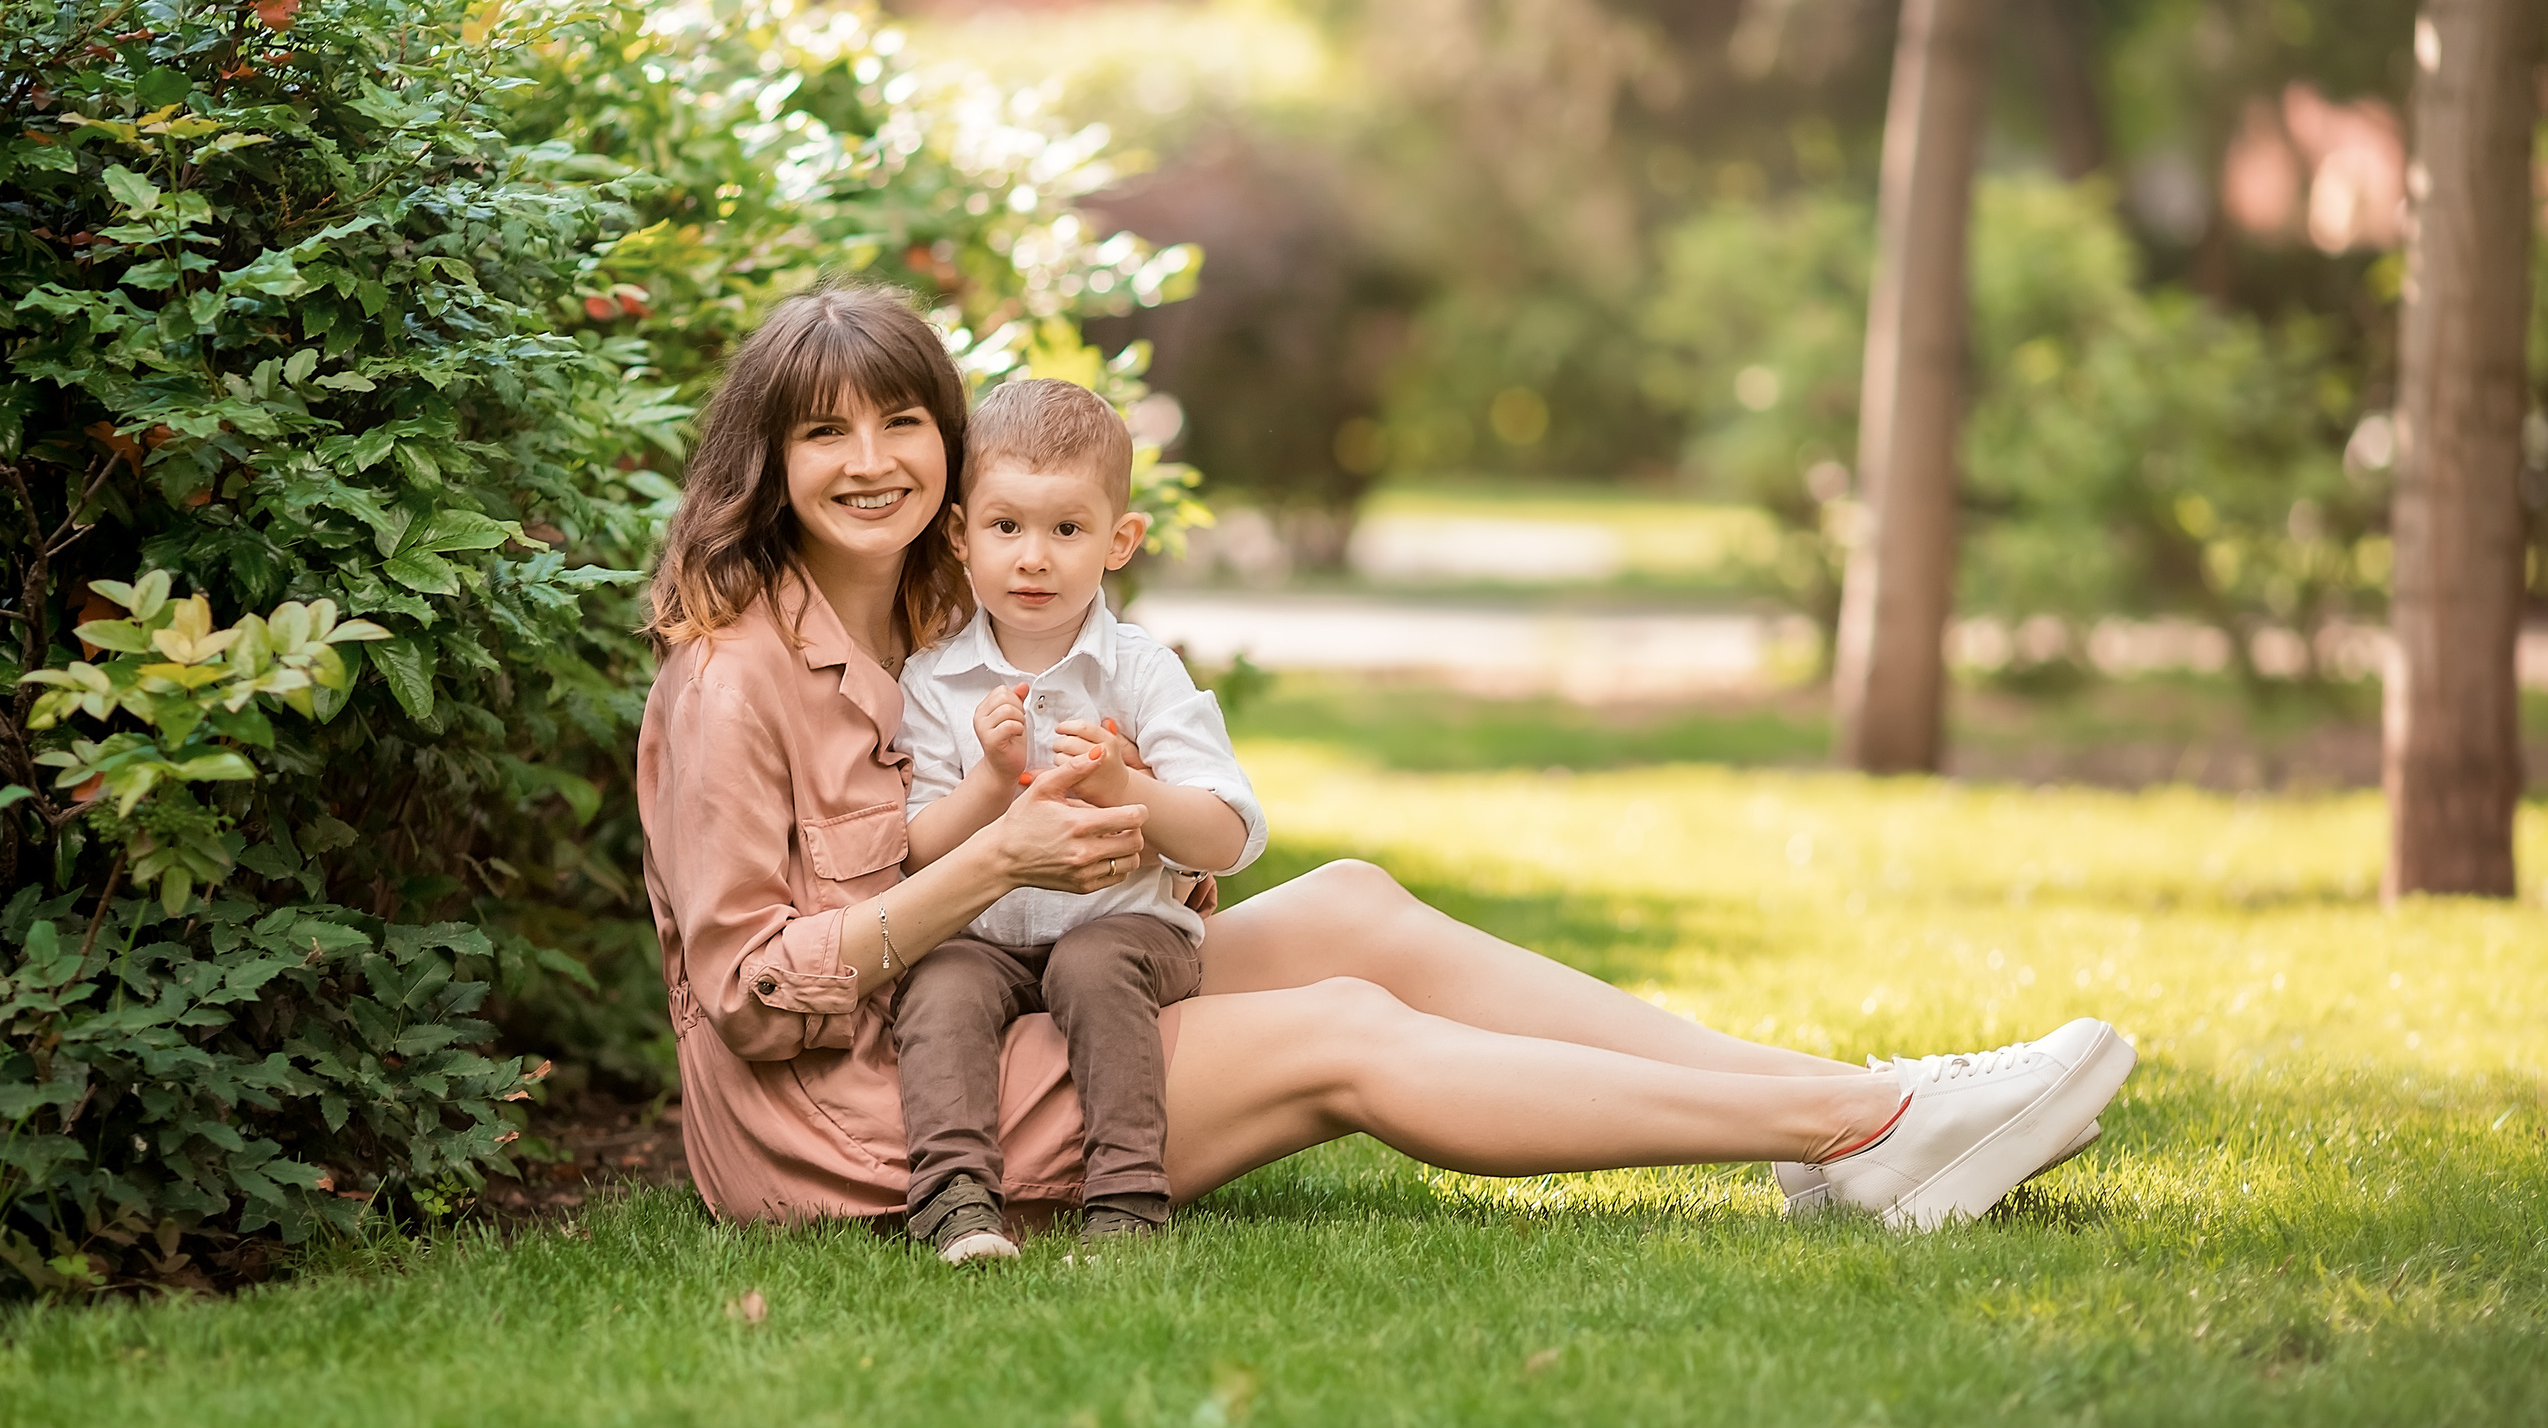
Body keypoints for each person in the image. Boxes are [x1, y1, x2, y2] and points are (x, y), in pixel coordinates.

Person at [635, 285, 2137, 1246]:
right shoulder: (732, 676)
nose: (874, 457)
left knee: (1350, 901)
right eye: (826, 432)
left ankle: (1855, 1100)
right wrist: (998, 858)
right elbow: (758, 1004)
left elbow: (1144, 821)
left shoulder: (936, 609)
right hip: (868, 1110)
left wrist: (1143, 830)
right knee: (1339, 1027)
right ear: (767, 463)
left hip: (1033, 988)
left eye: (907, 420)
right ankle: (1859, 1131)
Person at [891, 378, 1266, 1263]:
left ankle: (1127, 1196)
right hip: (982, 935)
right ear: (960, 534)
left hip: (1122, 926)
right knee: (938, 980)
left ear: (1119, 540)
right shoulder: (932, 681)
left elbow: (1228, 836)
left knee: (1093, 965)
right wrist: (990, 778)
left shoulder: (1139, 671)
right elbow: (915, 853)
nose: (1034, 557)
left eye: (1067, 529)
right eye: (1006, 526)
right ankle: (955, 1200)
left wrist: (1124, 787)